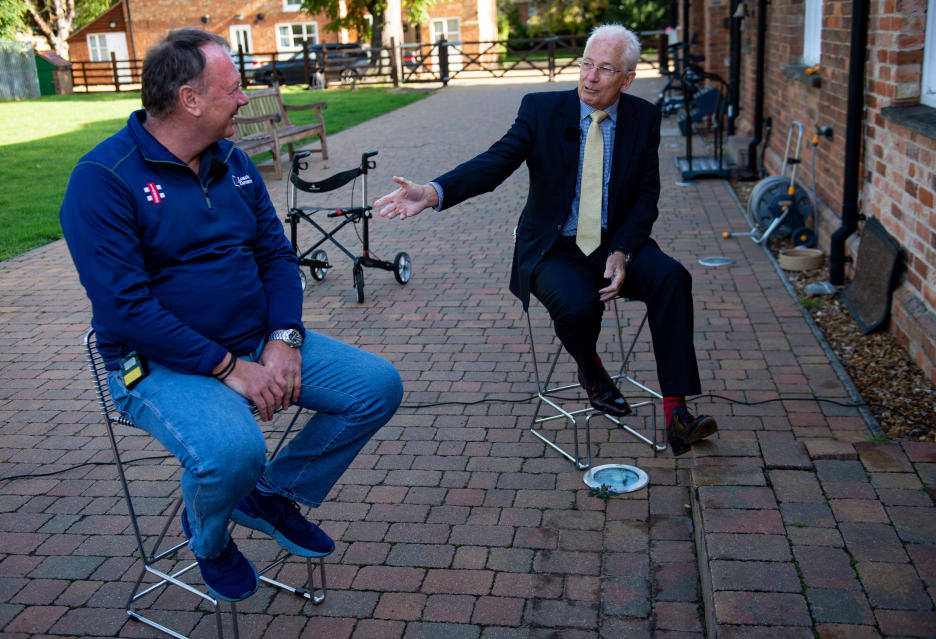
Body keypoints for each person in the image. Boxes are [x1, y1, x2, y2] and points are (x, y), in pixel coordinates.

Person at [60, 29, 403, 602]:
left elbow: (275, 254)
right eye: (235, 88)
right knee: (232, 451)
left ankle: (266, 493)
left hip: (254, 341)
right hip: (157, 364)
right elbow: (125, 308)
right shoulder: (103, 180)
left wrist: (284, 338)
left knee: (377, 387)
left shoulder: (232, 162)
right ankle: (211, 539)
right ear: (190, 99)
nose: (245, 99)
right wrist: (228, 368)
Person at [375, 24, 716, 456]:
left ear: (627, 79)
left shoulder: (644, 118)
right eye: (586, 64)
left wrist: (623, 250)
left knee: (672, 278)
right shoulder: (540, 110)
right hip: (555, 248)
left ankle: (677, 413)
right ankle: (590, 369)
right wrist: (431, 192)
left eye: (605, 69)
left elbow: (647, 196)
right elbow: (495, 162)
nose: (590, 77)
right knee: (577, 307)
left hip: (616, 244)